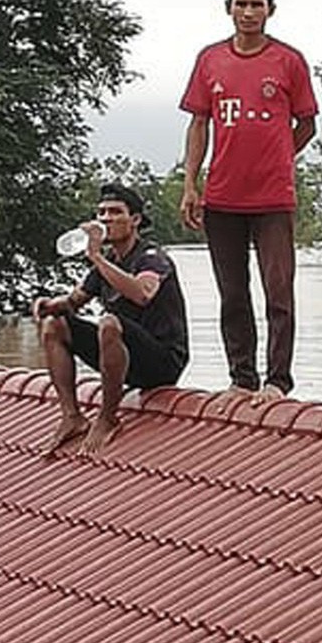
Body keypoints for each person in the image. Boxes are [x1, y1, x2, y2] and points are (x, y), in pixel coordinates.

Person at [178, 0, 318, 405]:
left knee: (279, 290)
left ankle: (278, 382)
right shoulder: (210, 60)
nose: (249, 11)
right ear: (228, 8)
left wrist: (279, 157)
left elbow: (308, 123)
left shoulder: (288, 61)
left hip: (273, 197)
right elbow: (199, 123)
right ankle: (242, 378)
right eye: (241, 3)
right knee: (232, 293)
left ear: (270, 10)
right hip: (222, 197)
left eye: (257, 4)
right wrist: (191, 183)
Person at [32, 183, 191, 454]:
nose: (106, 219)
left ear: (135, 220)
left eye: (116, 212)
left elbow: (143, 293)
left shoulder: (152, 257)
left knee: (108, 322)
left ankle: (108, 418)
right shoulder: (106, 262)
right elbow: (73, 302)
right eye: (102, 213)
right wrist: (47, 305)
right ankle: (72, 417)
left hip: (162, 360)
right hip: (121, 353)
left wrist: (95, 257)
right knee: (54, 325)